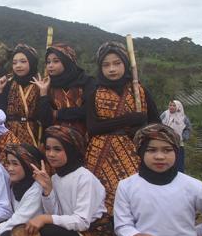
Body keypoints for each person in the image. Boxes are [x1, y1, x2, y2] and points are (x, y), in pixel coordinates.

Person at [25, 126, 112, 236]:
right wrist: (48, 190)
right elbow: (57, 215)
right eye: (48, 149)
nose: (51, 154)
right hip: (70, 234)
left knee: (48, 230)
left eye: (58, 149)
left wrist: (45, 218)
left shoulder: (84, 178)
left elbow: (81, 222)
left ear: (72, 149)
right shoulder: (56, 178)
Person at [84, 42, 159, 212]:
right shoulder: (94, 93)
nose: (112, 69)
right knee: (103, 195)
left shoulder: (139, 90)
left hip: (133, 151)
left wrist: (141, 128)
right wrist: (128, 119)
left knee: (134, 194)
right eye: (106, 65)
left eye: (117, 63)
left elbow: (155, 122)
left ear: (125, 63)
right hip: (101, 152)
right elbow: (93, 128)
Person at [32, 43, 94, 137]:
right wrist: (43, 93)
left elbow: (88, 111)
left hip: (83, 140)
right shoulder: (47, 84)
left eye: (56, 61)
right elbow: (44, 118)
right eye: (48, 62)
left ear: (67, 62)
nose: (50, 66)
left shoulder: (86, 82)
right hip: (55, 142)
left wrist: (57, 113)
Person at [0, 44, 41, 147]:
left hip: (33, 132)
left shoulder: (40, 84)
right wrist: (0, 92)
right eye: (14, 63)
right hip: (9, 133)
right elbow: (0, 112)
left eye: (23, 61)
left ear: (32, 62)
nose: (18, 66)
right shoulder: (8, 83)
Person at [159, 100, 191, 172]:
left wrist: (183, 137)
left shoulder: (183, 117)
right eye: (170, 105)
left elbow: (188, 129)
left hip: (178, 144)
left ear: (178, 107)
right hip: (165, 142)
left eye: (174, 105)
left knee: (178, 164)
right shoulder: (165, 114)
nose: (171, 107)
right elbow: (158, 124)